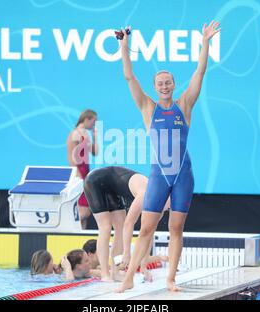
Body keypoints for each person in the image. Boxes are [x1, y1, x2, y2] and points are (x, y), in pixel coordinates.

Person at [115, 21, 221, 293]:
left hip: (183, 176)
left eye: (168, 82)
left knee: (176, 228)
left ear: (174, 85)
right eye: (159, 83)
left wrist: (205, 41)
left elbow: (200, 71)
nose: (164, 86)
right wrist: (124, 47)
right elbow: (129, 78)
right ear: (155, 86)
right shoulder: (148, 107)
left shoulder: (184, 105)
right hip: (159, 177)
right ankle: (128, 278)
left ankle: (171, 278)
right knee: (146, 228)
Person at [83, 166, 170, 282]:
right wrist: (126, 253)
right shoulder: (145, 195)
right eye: (167, 208)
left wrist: (144, 266)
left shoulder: (160, 207)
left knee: (119, 225)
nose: (166, 210)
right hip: (95, 181)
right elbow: (129, 224)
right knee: (106, 226)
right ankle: (105, 274)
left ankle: (115, 272)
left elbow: (148, 233)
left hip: (112, 187)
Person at [66, 109, 99, 229]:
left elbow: (95, 152)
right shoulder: (75, 134)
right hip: (79, 174)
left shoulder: (85, 134)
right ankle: (69, 228)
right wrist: (78, 175)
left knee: (85, 210)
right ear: (86, 119)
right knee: (84, 211)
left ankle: (79, 240)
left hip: (85, 173)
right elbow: (71, 157)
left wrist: (95, 137)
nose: (94, 124)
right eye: (93, 121)